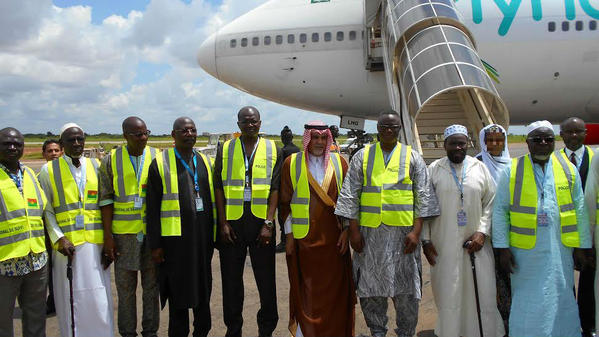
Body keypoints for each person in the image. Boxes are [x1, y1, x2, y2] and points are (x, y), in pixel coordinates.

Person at [335, 110, 440, 337]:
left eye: (393, 127)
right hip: (369, 238)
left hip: (404, 239)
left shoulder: (412, 157)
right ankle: (377, 331)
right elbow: (351, 195)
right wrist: (353, 231)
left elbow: (423, 196)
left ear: (399, 130)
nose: (388, 131)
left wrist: (417, 232)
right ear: (378, 129)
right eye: (384, 127)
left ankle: (405, 332)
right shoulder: (362, 157)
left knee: (406, 291)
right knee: (371, 290)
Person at [493, 120, 591, 337]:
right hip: (525, 252)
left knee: (561, 294)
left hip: (560, 249)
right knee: (528, 298)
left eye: (548, 139)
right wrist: (502, 248)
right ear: (528, 142)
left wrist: (582, 247)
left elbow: (580, 210)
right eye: (537, 139)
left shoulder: (568, 169)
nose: (544, 143)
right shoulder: (512, 169)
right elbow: (500, 211)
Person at [424, 124, 505, 337]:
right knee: (448, 292)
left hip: (477, 244)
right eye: (453, 143)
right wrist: (425, 240)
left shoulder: (479, 168)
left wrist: (482, 232)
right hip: (443, 244)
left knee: (483, 291)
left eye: (462, 143)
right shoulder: (434, 170)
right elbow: (423, 207)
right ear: (445, 145)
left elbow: (491, 202)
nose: (458, 148)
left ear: (467, 144)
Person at [279, 121, 355, 337]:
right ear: (307, 138)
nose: (320, 142)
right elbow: (285, 205)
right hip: (304, 242)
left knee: (335, 293)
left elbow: (349, 201)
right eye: (315, 137)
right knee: (308, 291)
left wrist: (347, 230)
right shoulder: (292, 164)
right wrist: (289, 237)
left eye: (323, 137)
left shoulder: (339, 163)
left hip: (334, 242)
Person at [38, 123, 114, 337]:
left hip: (95, 244)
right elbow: (47, 210)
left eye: (80, 139)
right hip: (67, 248)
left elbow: (105, 204)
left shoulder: (96, 165)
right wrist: (58, 238)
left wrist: (109, 240)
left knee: (99, 299)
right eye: (71, 140)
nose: (77, 143)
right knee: (71, 299)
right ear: (62, 144)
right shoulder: (48, 171)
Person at [146, 117, 217, 337]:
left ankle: (201, 331)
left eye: (193, 130)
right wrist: (155, 245)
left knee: (203, 290)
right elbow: (152, 207)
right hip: (174, 244)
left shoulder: (205, 161)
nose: (189, 134)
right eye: (183, 130)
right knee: (178, 293)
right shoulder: (160, 162)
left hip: (202, 241)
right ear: (173, 134)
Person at [214, 106, 281, 337]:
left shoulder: (273, 148)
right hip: (232, 225)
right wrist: (222, 223)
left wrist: (269, 224)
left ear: (260, 123)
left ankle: (266, 329)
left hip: (261, 224)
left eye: (253, 121)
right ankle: (233, 330)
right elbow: (218, 188)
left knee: (266, 281)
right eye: (245, 121)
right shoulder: (225, 148)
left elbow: (275, 189)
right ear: (238, 124)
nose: (250, 125)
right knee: (231, 282)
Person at [98, 117, 159, 337]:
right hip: (123, 236)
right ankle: (127, 332)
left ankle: (150, 330)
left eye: (146, 133)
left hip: (151, 234)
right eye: (137, 134)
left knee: (152, 288)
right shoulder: (110, 160)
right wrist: (108, 238)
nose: (143, 138)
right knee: (125, 290)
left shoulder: (156, 157)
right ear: (125, 136)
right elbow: (105, 200)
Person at [0, 127, 48, 337]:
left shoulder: (29, 174)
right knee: (2, 321)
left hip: (36, 261)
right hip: (5, 264)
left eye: (17, 144)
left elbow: (42, 211)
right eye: (6, 143)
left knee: (36, 318)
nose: (12, 147)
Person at [559, 117, 596, 337]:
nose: (574, 136)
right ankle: (568, 324)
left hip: (590, 230)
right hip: (563, 230)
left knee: (589, 279)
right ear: (561, 135)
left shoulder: (596, 158)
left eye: (578, 132)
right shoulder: (553, 160)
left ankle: (588, 324)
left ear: (585, 133)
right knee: (564, 280)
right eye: (568, 132)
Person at [475, 124, 512, 332]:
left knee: (508, 276)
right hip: (485, 232)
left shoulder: (513, 164)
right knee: (491, 280)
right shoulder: (476, 163)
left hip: (510, 232)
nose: (495, 144)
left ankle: (509, 321)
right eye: (490, 140)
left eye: (499, 140)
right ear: (483, 142)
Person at [276, 126, 300, 253]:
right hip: (296, 186)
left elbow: (280, 171)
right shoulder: (297, 150)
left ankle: (284, 241)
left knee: (283, 215)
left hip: (285, 187)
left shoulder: (283, 151)